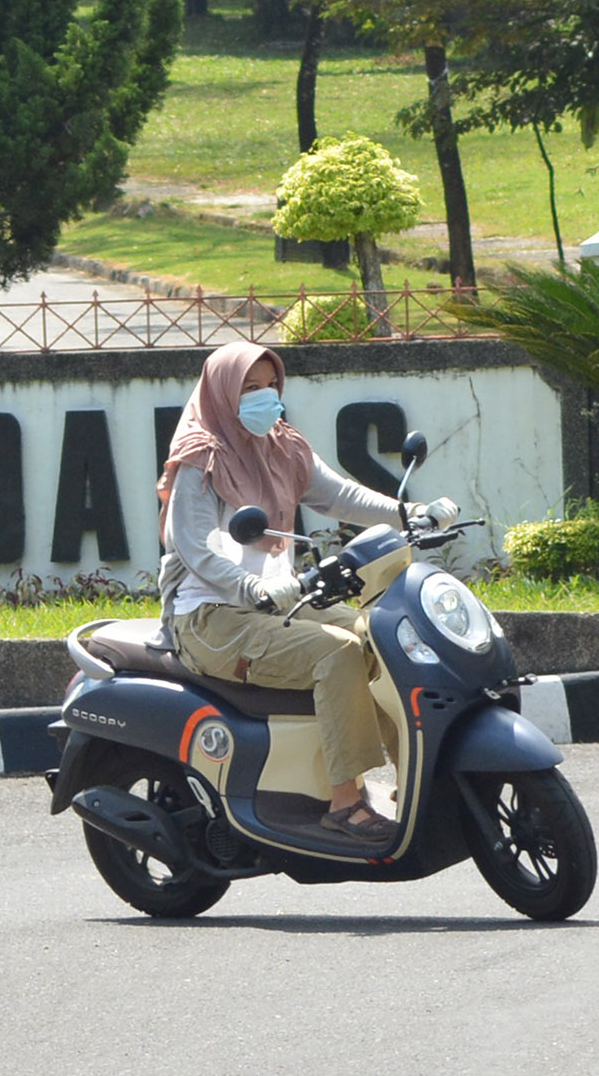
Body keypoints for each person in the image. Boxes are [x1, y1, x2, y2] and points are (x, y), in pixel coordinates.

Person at [159, 340, 425, 843]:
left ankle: (413, 778)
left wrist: (410, 513)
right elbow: (192, 545)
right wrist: (253, 585)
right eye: (249, 389)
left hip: (277, 603)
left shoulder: (283, 444)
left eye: (270, 387)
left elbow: (338, 495)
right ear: (221, 394)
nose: (265, 398)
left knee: (383, 637)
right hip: (210, 616)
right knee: (338, 653)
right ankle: (346, 804)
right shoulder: (199, 456)